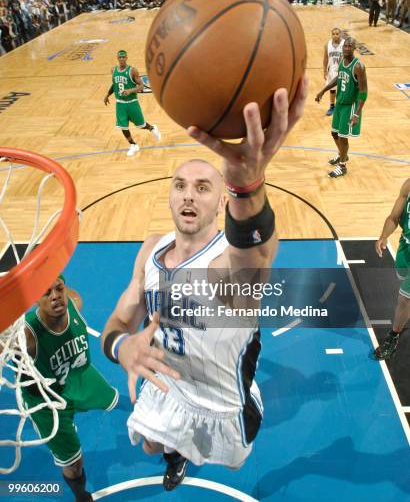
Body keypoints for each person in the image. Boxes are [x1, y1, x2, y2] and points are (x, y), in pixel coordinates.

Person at [102, 79, 307, 491]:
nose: (188, 196)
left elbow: (257, 254)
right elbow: (119, 322)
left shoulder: (222, 264)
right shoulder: (150, 250)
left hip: (222, 404)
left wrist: (247, 185)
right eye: (180, 186)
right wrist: (121, 348)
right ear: (170, 198)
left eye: (202, 187)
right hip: (172, 385)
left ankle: (243, 403)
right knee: (151, 446)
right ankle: (175, 457)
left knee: (233, 465)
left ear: (219, 203)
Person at [23, 275, 119, 502]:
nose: (55, 296)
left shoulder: (74, 301)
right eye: (46, 293)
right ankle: (80, 496)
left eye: (59, 289)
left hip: (77, 378)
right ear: (35, 299)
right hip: (47, 402)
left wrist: (46, 268)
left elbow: (61, 289)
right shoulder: (27, 336)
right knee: (74, 465)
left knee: (123, 402)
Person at [315, 37, 367, 178]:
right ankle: (342, 155)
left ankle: (342, 166)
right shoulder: (343, 62)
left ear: (354, 48)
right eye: (345, 46)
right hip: (339, 104)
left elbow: (364, 92)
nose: (347, 48)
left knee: (343, 137)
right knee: (334, 133)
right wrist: (323, 90)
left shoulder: (358, 66)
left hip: (350, 106)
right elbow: (338, 78)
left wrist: (356, 114)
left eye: (350, 46)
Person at [373, 179, 410, 359]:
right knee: (402, 279)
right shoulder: (409, 185)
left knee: (404, 299)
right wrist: (384, 236)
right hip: (406, 247)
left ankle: (393, 336)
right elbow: (394, 217)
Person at [104, 50, 161, 156]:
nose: (121, 59)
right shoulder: (114, 70)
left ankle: (152, 128)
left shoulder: (132, 70)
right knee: (123, 126)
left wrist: (130, 91)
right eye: (119, 57)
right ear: (117, 58)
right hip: (120, 103)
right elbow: (115, 84)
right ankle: (133, 145)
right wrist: (107, 94)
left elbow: (141, 86)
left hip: (132, 102)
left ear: (126, 58)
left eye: (123, 57)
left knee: (141, 125)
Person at [322, 28, 345, 116]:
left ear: (340, 34)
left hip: (342, 69)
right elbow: (325, 58)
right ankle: (332, 106)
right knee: (332, 89)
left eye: (337, 34)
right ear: (331, 35)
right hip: (331, 69)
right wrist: (324, 70)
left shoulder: (344, 44)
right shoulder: (327, 44)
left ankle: (340, 106)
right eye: (333, 34)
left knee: (342, 89)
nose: (335, 35)